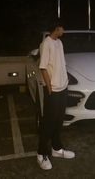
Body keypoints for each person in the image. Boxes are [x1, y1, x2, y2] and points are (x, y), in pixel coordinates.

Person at [37, 19, 75, 170]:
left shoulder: (59, 42)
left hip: (63, 88)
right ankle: (41, 154)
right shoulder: (46, 44)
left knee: (59, 120)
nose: (63, 31)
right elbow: (43, 68)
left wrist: (65, 81)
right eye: (62, 28)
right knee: (48, 123)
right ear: (57, 28)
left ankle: (57, 149)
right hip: (53, 90)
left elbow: (61, 64)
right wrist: (49, 88)